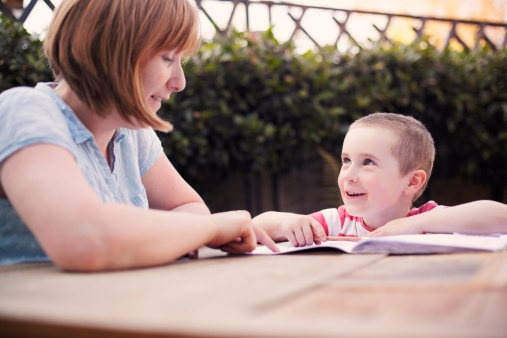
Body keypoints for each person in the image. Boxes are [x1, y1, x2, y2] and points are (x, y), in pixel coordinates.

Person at [0, 0, 277, 271]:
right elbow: (86, 241)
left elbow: (189, 206)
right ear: (110, 50)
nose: (180, 82)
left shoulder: (131, 136)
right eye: (168, 58)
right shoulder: (25, 112)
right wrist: (213, 229)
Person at [253, 112, 507, 247]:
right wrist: (289, 222)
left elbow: (501, 217)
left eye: (368, 162)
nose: (349, 175)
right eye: (346, 161)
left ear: (412, 182)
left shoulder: (427, 221)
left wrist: (418, 225)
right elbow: (256, 227)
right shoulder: (335, 222)